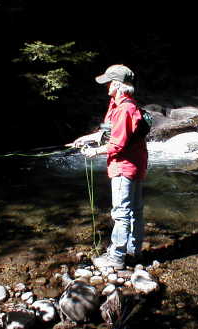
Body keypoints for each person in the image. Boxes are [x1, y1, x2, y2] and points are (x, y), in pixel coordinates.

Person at [71, 64, 148, 270]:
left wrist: (94, 152)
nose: (106, 87)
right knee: (135, 211)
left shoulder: (124, 109)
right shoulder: (123, 105)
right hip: (135, 165)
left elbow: (117, 144)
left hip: (124, 167)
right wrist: (86, 139)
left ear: (117, 84)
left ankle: (116, 258)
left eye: (108, 82)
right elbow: (109, 133)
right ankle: (134, 252)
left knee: (122, 213)